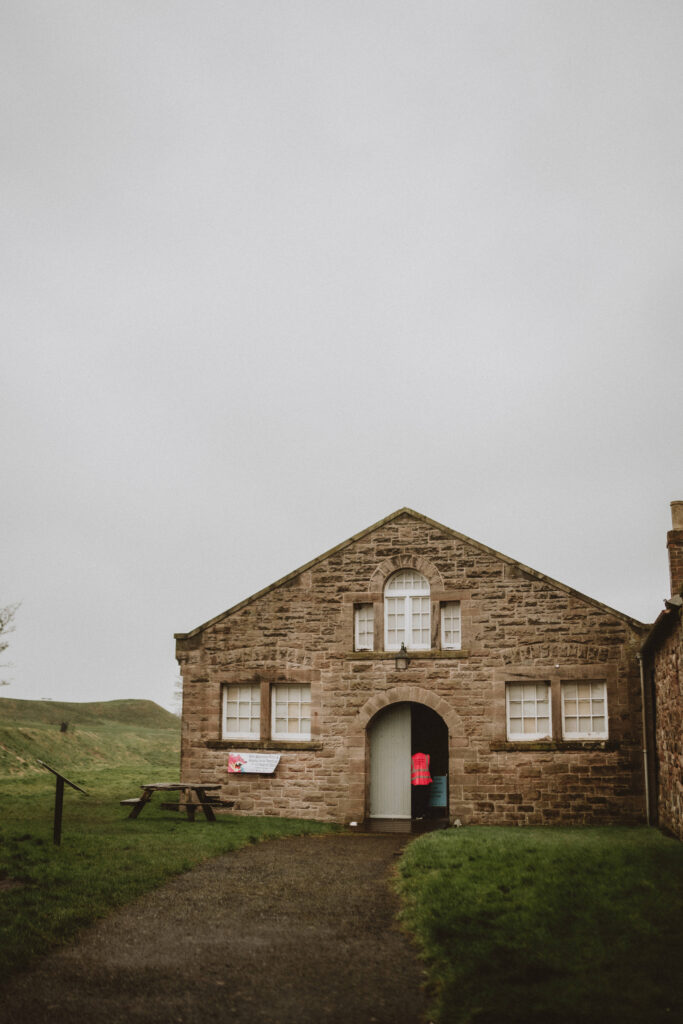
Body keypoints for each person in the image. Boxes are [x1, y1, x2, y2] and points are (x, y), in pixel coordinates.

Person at [411, 751, 432, 819]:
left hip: (415, 782)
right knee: (424, 799)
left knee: (416, 799)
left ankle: (416, 814)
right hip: (425, 782)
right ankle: (423, 813)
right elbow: (430, 768)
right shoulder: (427, 757)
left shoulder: (412, 758)